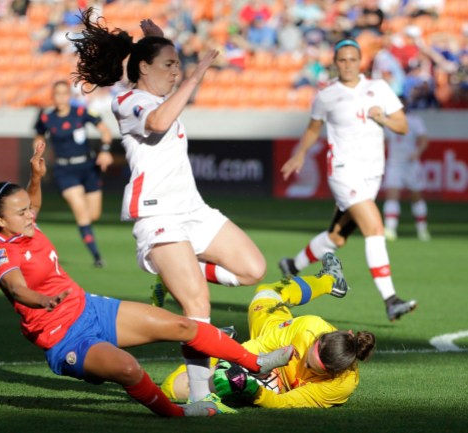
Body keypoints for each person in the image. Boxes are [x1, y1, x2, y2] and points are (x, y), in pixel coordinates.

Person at [0, 141, 292, 417]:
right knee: (131, 371)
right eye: (21, 213)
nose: (31, 215)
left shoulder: (21, 224)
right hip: (63, 336)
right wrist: (40, 301)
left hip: (91, 309)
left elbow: (32, 203)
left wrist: (35, 177)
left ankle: (254, 362)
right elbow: (17, 287)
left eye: (28, 210)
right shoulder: (0, 252)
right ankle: (177, 414)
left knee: (185, 325)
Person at [70, 9, 267, 409]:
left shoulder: (154, 90)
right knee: (198, 306)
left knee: (253, 269)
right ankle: (200, 398)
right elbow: (158, 121)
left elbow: (162, 90)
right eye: (169, 65)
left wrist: (162, 45)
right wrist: (195, 74)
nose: (177, 72)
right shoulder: (128, 100)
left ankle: (176, 272)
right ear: (143, 68)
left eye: (178, 65)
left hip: (193, 210)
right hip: (158, 215)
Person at [279, 39, 417, 322]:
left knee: (337, 238)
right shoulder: (327, 95)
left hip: (372, 174)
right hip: (343, 172)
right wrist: (300, 154)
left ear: (360, 61)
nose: (347, 65)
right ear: (335, 63)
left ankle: (293, 264)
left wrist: (383, 119)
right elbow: (313, 128)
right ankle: (391, 299)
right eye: (342, 60)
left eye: (352, 59)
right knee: (375, 227)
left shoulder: (378, 88)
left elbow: (402, 125)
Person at [161, 253, 377, 409]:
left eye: (311, 367)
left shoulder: (341, 385)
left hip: (271, 387)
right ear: (318, 340)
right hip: (268, 345)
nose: (303, 362)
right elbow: (259, 346)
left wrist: (253, 391)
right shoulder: (310, 328)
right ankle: (330, 281)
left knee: (171, 388)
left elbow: (286, 402)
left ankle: (222, 346)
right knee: (266, 293)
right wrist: (229, 358)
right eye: (306, 354)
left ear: (330, 372)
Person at [34, 80, 113, 268]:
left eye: (64, 93)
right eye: (57, 94)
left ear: (69, 96)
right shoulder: (46, 118)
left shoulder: (80, 112)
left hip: (88, 167)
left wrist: (105, 150)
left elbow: (105, 131)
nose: (60, 98)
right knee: (81, 212)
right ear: (53, 97)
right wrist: (38, 156)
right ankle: (97, 257)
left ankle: (93, 249)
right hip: (64, 170)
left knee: (93, 214)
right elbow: (38, 137)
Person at [382, 100, 430, 241]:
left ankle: (422, 230)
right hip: (394, 164)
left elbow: (424, 139)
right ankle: (390, 229)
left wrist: (417, 152)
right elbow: (383, 140)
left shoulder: (414, 121)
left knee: (416, 196)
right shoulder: (388, 121)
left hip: (411, 164)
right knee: (392, 194)